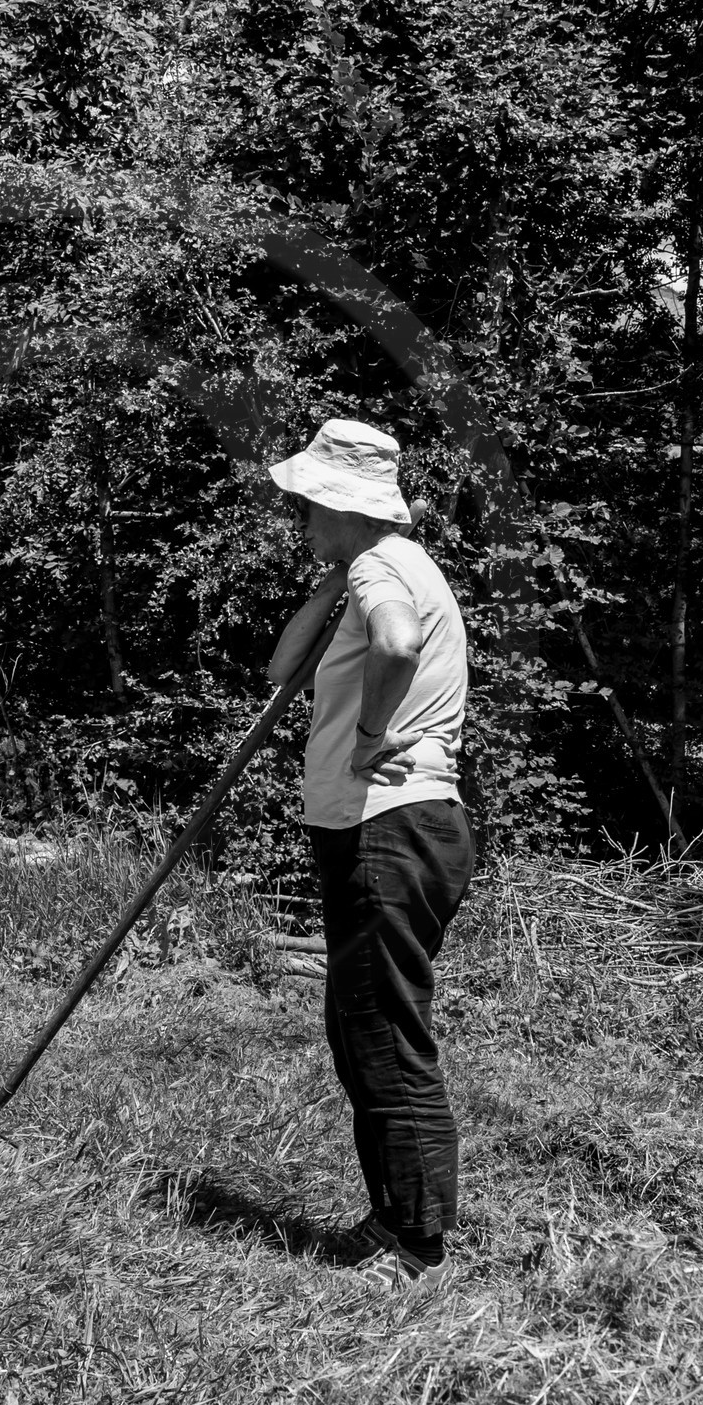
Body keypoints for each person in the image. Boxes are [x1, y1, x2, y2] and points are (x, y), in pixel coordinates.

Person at [266, 418, 473, 1291]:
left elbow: (396, 643)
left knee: (384, 1031)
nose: (303, 517)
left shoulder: (382, 567)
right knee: (362, 1028)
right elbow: (281, 671)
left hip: (391, 822)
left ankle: (415, 1243)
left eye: (311, 503)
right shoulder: (368, 568)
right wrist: (331, 580)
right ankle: (393, 1218)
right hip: (390, 828)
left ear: (344, 504)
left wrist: (369, 735)